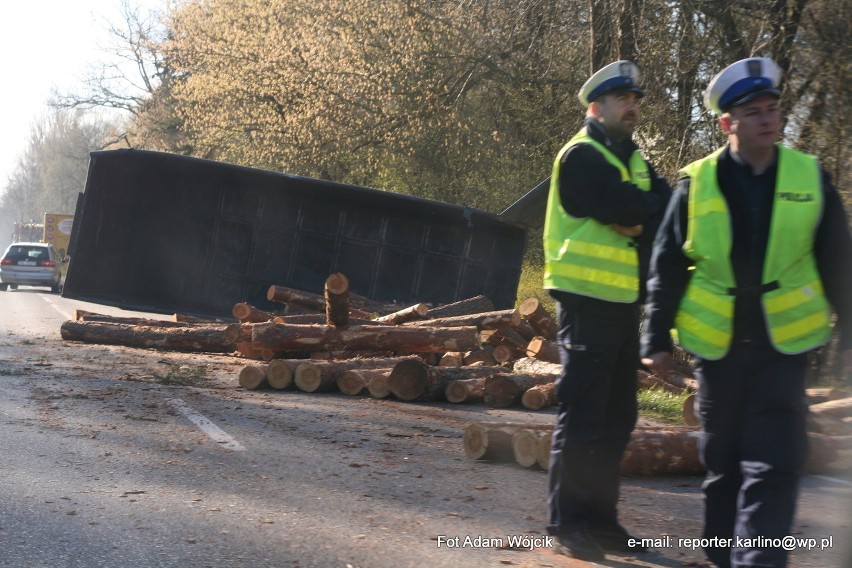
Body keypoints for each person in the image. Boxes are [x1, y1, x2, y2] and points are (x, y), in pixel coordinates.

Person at [641, 57, 852, 567]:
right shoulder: (696, 183)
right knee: (724, 467)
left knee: (776, 464)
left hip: (784, 345)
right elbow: (667, 264)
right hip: (719, 347)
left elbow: (838, 262)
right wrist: (655, 339)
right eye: (753, 111)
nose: (767, 119)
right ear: (727, 123)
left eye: (773, 108)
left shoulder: (809, 177)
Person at [543, 60, 671, 561]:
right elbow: (630, 210)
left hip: (623, 307)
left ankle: (602, 521)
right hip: (586, 303)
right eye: (624, 99)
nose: (634, 106)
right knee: (584, 419)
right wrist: (637, 213)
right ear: (596, 107)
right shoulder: (581, 156)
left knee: (618, 418)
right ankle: (567, 523)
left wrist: (638, 214)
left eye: (636, 99)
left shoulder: (634, 159)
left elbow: (661, 209)